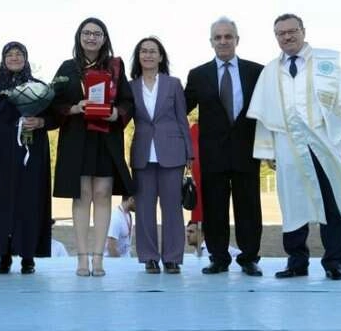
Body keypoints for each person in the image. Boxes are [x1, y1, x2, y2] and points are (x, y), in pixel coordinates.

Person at [247, 13, 341, 280]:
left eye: (292, 31)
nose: (287, 37)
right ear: (276, 37)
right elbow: (264, 116)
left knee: (332, 204)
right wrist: (268, 151)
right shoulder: (270, 71)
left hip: (323, 145)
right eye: (281, 33)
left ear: (303, 31)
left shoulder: (325, 64)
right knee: (292, 205)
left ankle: (334, 263)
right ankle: (297, 261)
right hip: (288, 147)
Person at [52, 17, 135, 277]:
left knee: (102, 193)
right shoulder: (67, 68)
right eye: (86, 33)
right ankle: (82, 258)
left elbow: (128, 101)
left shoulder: (115, 67)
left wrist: (116, 113)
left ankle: (98, 258)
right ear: (79, 37)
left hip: (106, 138)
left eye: (97, 34)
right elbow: (53, 102)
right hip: (77, 137)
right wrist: (74, 108)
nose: (91, 37)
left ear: (104, 38)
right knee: (82, 195)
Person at [184, 17, 264, 277]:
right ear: (211, 42)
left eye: (228, 36)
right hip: (212, 154)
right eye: (218, 37)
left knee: (249, 208)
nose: (223, 41)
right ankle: (218, 258)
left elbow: (269, 111)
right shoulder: (198, 75)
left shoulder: (257, 72)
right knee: (215, 209)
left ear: (237, 40)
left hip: (247, 152)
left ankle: (249, 258)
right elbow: (180, 109)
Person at [0, 42, 54, 275]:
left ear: (26, 59)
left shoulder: (39, 87)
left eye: (19, 54)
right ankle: (4, 255)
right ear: (3, 59)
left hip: (31, 154)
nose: (14, 58)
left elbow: (55, 117)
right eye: (9, 54)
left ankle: (28, 256)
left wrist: (40, 121)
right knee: (1, 202)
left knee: (29, 201)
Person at [129, 37, 193, 274]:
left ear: (161, 56)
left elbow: (182, 119)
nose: (148, 55)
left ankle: (172, 257)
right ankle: (149, 257)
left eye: (152, 51)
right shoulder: (130, 86)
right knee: (144, 209)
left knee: (172, 208)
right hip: (143, 154)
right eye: (143, 51)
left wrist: (189, 153)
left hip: (172, 153)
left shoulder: (173, 84)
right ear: (138, 57)